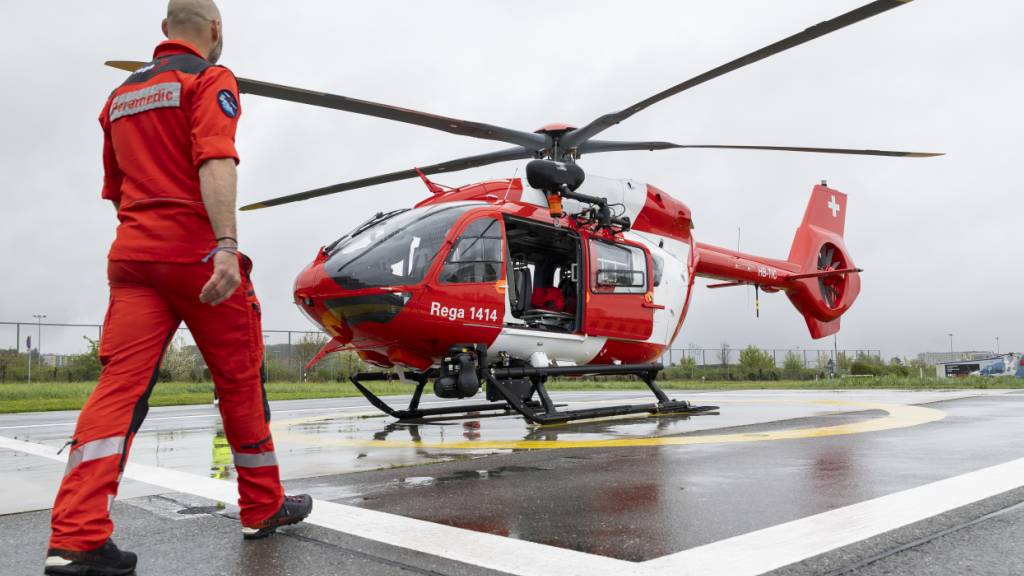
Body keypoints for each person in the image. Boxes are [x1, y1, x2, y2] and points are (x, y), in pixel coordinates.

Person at [45, 2, 311, 573]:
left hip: (134, 257)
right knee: (240, 379)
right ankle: (262, 508)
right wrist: (224, 245)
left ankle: (76, 537)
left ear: (164, 30)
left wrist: (147, 230)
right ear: (215, 31)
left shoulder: (119, 98)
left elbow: (115, 188)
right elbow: (216, 158)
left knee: (118, 390)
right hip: (196, 257)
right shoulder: (210, 79)